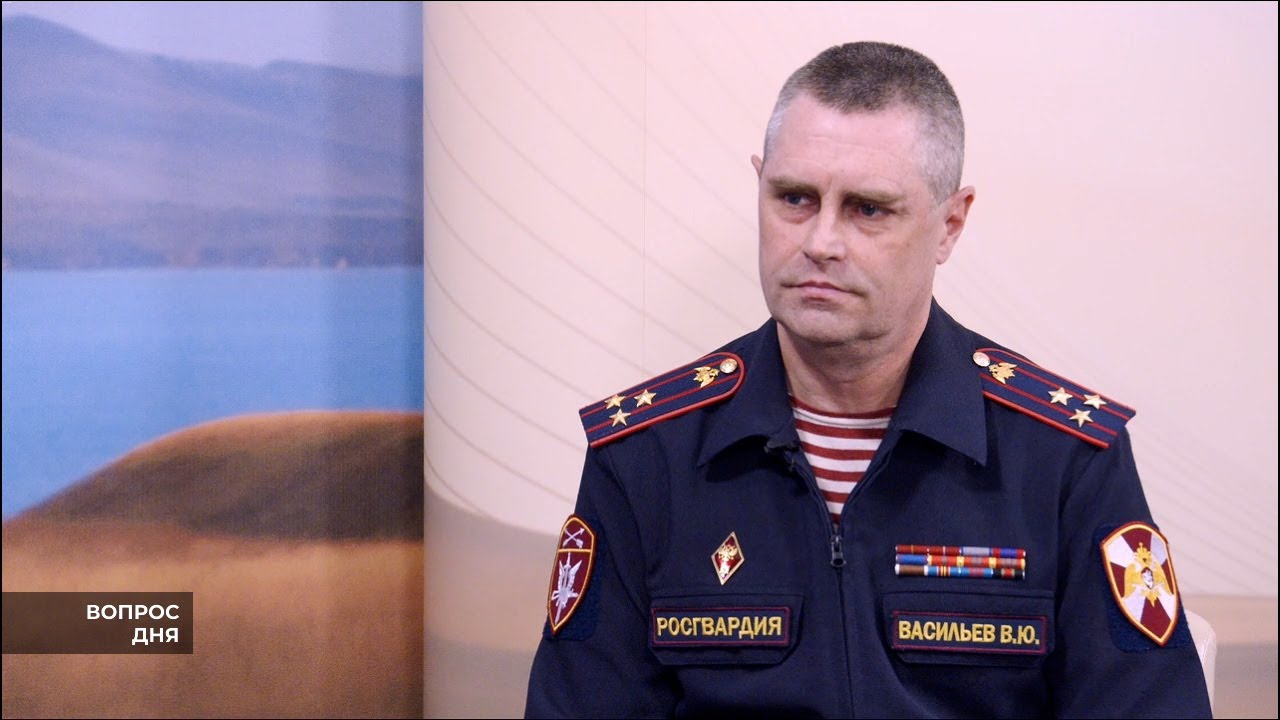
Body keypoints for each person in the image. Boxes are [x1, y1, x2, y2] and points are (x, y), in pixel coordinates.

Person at [524, 41, 1212, 718]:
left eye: (868, 208)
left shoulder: (1064, 457)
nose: (820, 242)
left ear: (950, 225)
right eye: (795, 198)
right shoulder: (646, 454)